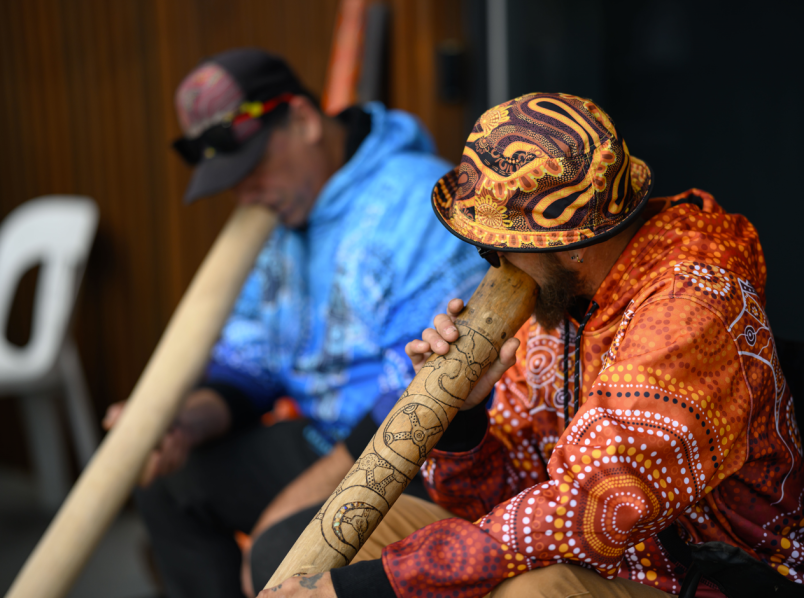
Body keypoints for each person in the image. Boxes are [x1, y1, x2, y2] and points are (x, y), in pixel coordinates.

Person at [260, 93, 804, 598]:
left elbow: (587, 510)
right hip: (603, 557)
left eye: (497, 247)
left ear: (568, 246)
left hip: (712, 578)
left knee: (533, 593)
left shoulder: (689, 313)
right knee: (372, 534)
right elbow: (492, 498)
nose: (489, 262)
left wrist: (371, 589)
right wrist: (464, 415)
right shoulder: (558, 302)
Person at [103, 48, 489, 598]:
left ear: (305, 121)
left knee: (279, 550)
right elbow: (249, 365)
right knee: (170, 483)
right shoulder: (282, 214)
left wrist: (285, 508)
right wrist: (182, 424)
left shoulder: (420, 204)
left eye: (252, 167)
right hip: (324, 439)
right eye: (230, 180)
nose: (245, 193)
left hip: (419, 463)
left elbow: (419, 402)